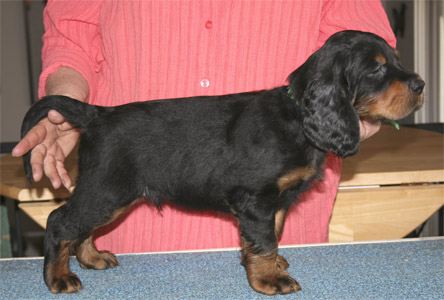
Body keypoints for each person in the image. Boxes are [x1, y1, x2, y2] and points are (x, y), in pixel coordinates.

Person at [12, 0, 395, 253]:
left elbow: (360, 51)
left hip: (284, 233)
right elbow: (72, 34)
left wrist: (349, 115)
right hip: (134, 228)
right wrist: (67, 104)